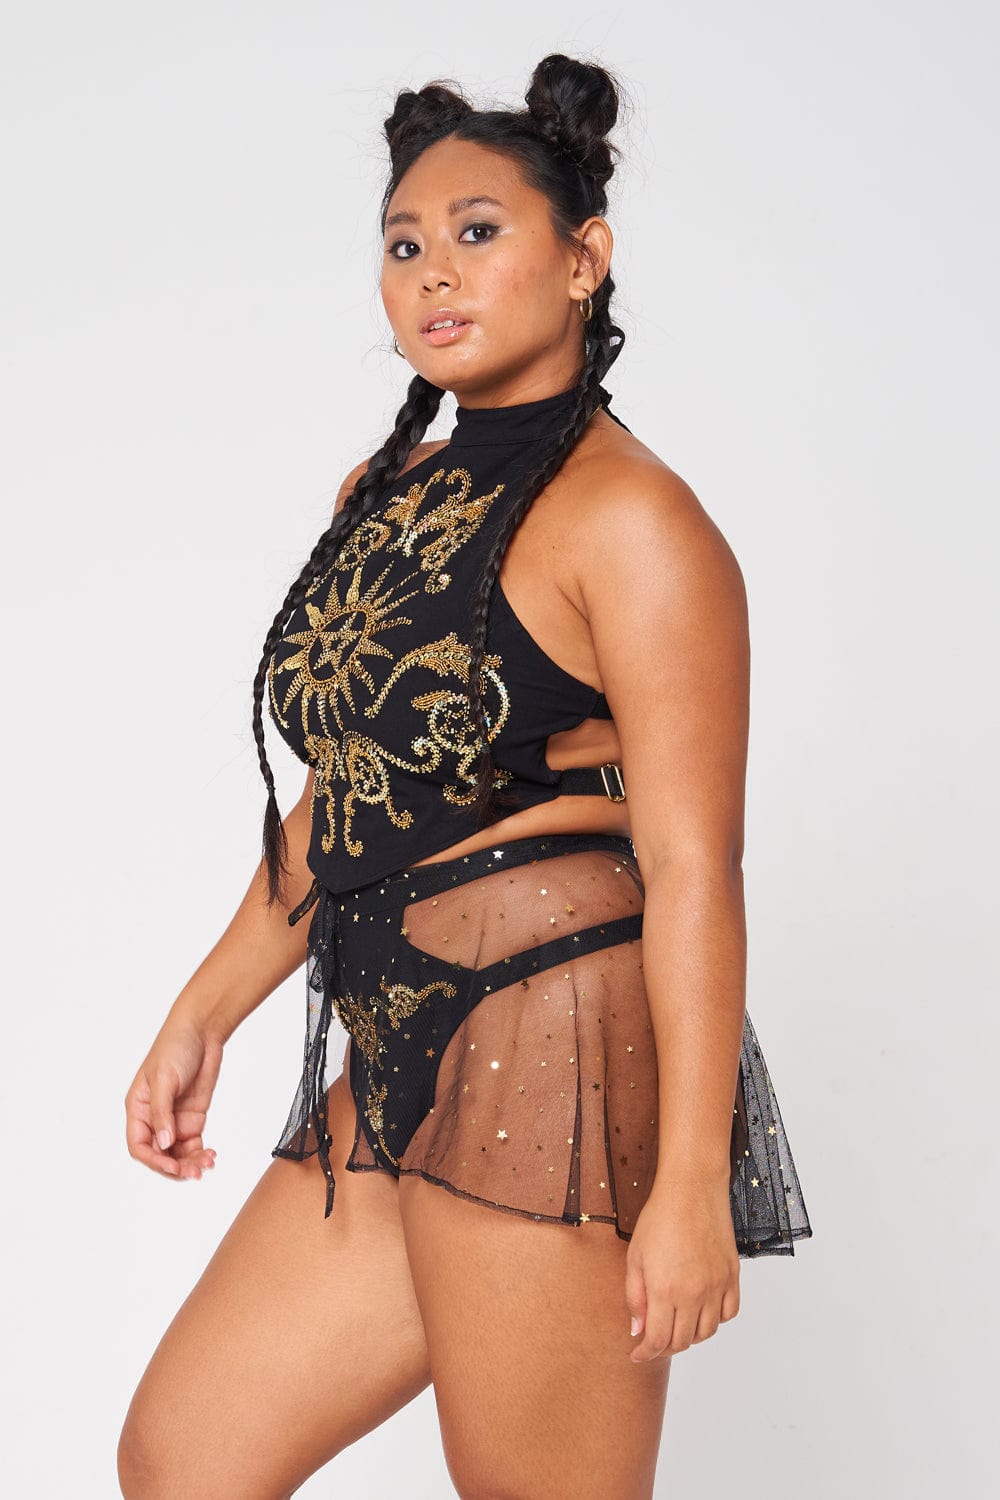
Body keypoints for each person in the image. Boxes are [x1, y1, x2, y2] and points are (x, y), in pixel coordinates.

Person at [118, 53, 812, 1500]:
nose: (434, 271)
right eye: (404, 244)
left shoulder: (636, 522)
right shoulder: (387, 495)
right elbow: (355, 794)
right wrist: (205, 1010)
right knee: (185, 1464)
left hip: (555, 1036)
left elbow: (696, 862)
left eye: (479, 231)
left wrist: (692, 1181)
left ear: (584, 257)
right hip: (394, 1038)